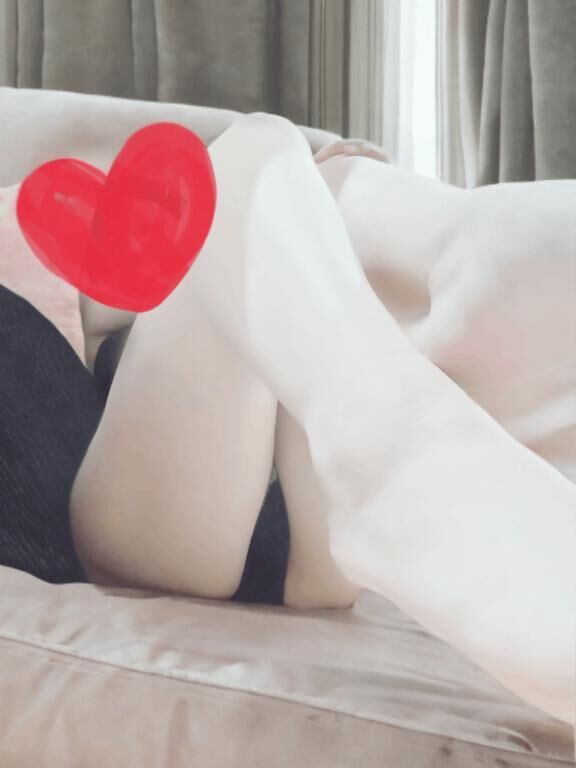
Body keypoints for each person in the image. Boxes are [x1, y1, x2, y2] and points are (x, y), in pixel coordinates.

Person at [2, 113, 575, 725]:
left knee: (262, 163)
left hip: (295, 511)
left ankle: (397, 428)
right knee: (254, 160)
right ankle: (402, 416)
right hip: (131, 536)